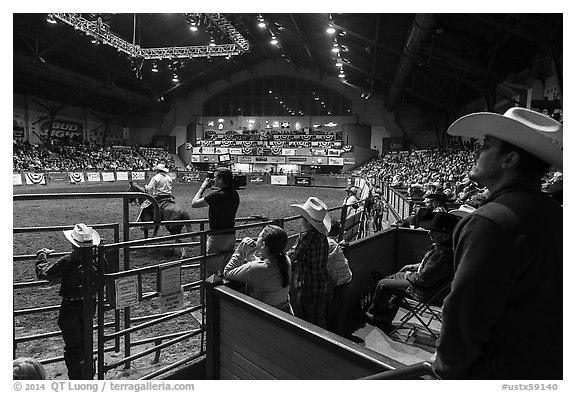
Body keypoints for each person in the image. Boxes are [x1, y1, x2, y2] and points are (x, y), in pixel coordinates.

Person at [432, 107, 563, 379]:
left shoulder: (490, 222)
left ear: (510, 159)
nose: (477, 153)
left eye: (486, 146)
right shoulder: (554, 212)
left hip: (497, 370)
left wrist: (445, 370)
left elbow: (466, 315)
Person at [364, 211, 461, 330]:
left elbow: (423, 279)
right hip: (432, 287)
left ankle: (373, 314)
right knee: (394, 277)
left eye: (434, 230)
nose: (429, 232)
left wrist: (408, 275)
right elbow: (430, 268)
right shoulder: (446, 247)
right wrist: (413, 267)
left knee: (383, 284)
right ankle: (385, 315)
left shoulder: (442, 253)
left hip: (427, 291)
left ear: (445, 234)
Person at [35, 223, 101, 380]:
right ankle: (88, 376)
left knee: (73, 347)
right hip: (89, 305)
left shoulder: (68, 261)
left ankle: (77, 380)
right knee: (87, 343)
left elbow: (43, 273)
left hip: (70, 308)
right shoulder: (99, 259)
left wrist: (42, 256)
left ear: (73, 243)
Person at [223, 225, 294, 314]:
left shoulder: (256, 269)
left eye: (259, 236)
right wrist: (251, 257)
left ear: (263, 245)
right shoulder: (285, 260)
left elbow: (227, 272)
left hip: (264, 318)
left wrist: (241, 250)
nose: (257, 238)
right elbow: (265, 268)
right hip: (285, 313)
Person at [286, 196, 330, 328]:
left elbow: (292, 255)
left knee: (306, 319)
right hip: (321, 282)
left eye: (303, 218)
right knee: (319, 317)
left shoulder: (306, 236)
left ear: (308, 222)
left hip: (308, 284)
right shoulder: (322, 236)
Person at [191, 167, 240, 277]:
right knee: (226, 271)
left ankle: (210, 294)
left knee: (210, 273)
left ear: (221, 180)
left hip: (217, 238)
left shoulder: (217, 195)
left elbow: (194, 203)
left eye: (215, 177)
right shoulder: (234, 193)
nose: (213, 180)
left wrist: (203, 187)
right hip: (230, 236)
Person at [325, 220, 352, 334]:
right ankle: (336, 330)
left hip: (340, 279)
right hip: (344, 277)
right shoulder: (333, 243)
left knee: (335, 306)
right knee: (338, 305)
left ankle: (334, 332)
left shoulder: (329, 243)